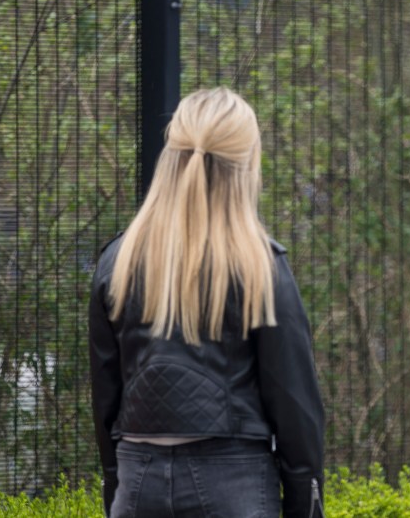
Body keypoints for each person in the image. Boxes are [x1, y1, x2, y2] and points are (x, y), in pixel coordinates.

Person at [89, 87, 325, 518]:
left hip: (137, 477)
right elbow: (294, 407)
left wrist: (116, 487)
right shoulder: (260, 266)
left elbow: (106, 398)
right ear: (247, 164)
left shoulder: (116, 262)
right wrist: (304, 504)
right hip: (232, 478)